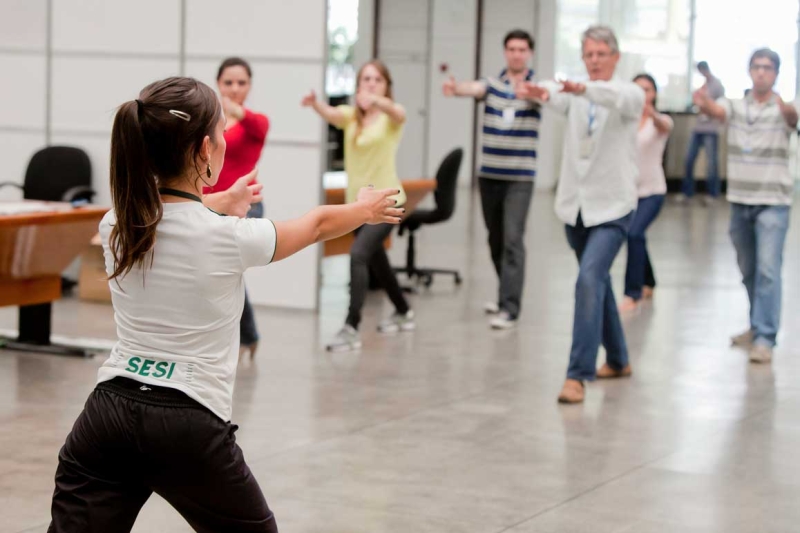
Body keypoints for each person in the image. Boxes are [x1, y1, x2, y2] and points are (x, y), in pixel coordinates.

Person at [47, 76, 403, 533]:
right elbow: (314, 226)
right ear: (204, 150)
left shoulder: (117, 224)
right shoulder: (230, 238)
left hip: (107, 414)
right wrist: (364, 210)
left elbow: (165, 213)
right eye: (220, 133)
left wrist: (220, 199)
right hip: (187, 422)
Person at [517, 25, 644, 404]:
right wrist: (541, 91)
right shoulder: (575, 95)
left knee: (588, 280)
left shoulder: (629, 94)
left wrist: (580, 88)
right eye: (589, 55)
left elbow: (611, 96)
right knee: (596, 282)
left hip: (613, 208)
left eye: (601, 54)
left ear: (615, 57)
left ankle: (577, 375)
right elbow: (552, 92)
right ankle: (618, 359)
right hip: (576, 208)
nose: (594, 61)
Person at [302, 59, 414, 352]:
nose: (371, 84)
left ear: (386, 86)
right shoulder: (352, 117)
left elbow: (400, 112)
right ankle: (404, 311)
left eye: (377, 80)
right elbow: (331, 113)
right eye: (366, 79)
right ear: (358, 85)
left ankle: (351, 327)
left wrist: (377, 101)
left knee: (358, 255)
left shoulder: (390, 119)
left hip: (387, 203)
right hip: (358, 205)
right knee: (378, 262)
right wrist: (315, 104)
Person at [693, 48, 797, 364]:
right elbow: (717, 111)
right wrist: (703, 102)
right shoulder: (736, 106)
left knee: (768, 271)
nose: (761, 72)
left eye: (767, 67)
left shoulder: (784, 108)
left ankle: (766, 337)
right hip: (740, 201)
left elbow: (793, 119)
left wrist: (788, 112)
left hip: (773, 203)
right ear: (749, 71)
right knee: (749, 270)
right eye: (756, 67)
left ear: (776, 73)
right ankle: (755, 326)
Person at [442, 29, 540, 329]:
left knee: (513, 239)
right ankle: (503, 295)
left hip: (520, 178)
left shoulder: (535, 88)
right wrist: (456, 88)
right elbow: (474, 88)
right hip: (489, 176)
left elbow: (546, 97)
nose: (516, 54)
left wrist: (533, 92)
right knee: (495, 240)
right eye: (511, 49)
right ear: (505, 52)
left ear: (529, 53)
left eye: (522, 49)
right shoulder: (493, 85)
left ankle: (510, 308)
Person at [206, 57, 270, 359]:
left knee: (224, 271)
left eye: (241, 83)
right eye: (228, 82)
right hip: (210, 205)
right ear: (218, 84)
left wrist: (236, 111)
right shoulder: (209, 122)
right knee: (220, 273)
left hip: (246, 205)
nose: (234, 88)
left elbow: (257, 127)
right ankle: (247, 335)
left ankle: (238, 336)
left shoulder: (256, 121)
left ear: (250, 86)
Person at [619, 74, 674, 312]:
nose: (642, 93)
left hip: (653, 192)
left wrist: (651, 114)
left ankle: (633, 292)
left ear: (654, 94)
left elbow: (664, 126)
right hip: (628, 192)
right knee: (637, 236)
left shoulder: (660, 121)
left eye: (647, 89)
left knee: (634, 234)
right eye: (638, 89)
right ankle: (649, 281)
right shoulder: (625, 121)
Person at [682, 61, 725, 204]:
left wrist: (705, 103)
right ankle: (687, 193)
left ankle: (713, 194)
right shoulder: (703, 86)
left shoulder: (717, 85)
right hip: (698, 128)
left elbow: (719, 108)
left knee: (712, 163)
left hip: (711, 129)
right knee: (689, 160)